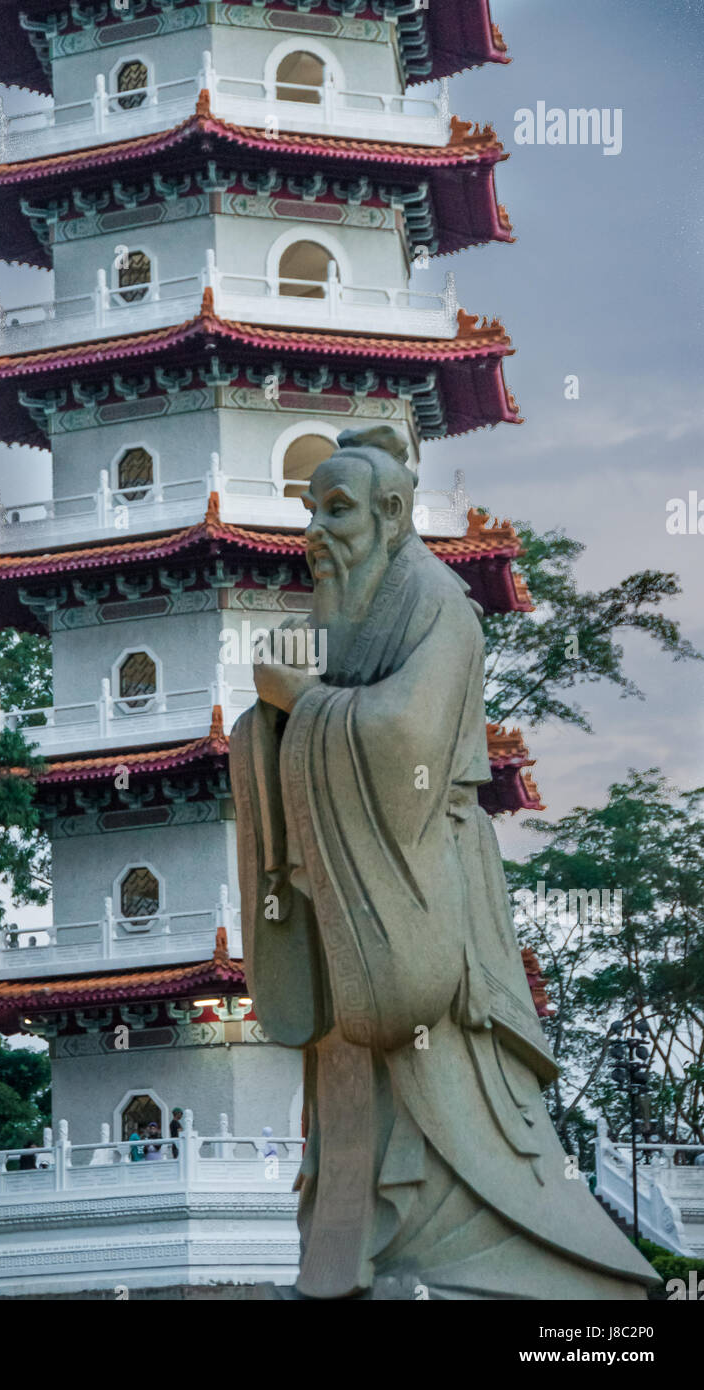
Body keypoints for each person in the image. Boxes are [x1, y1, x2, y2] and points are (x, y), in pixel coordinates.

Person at [231, 425, 658, 1300]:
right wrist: (270, 723)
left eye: (337, 510)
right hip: (349, 901)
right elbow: (306, 723)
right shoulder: (338, 608)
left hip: (427, 893)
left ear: (393, 513)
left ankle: (482, 1260)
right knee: (352, 1074)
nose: (315, 531)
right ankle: (355, 1257)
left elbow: (404, 738)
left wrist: (303, 705)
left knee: (443, 1073)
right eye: (310, 511)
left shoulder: (439, 605)